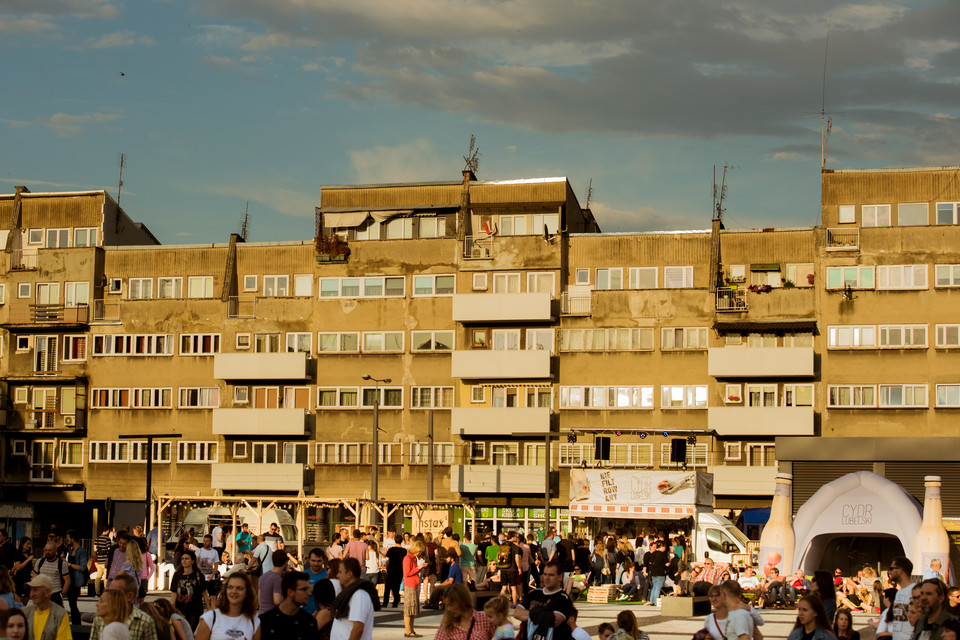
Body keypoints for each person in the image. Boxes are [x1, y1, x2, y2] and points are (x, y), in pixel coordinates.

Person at [513, 561, 573, 640]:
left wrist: (529, 616)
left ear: (560, 577)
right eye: (545, 574)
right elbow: (517, 613)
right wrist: (543, 616)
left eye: (551, 575)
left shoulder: (563, 599)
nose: (547, 578)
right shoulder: (533, 593)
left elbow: (554, 621)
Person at [194, 572, 259, 640]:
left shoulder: (254, 622)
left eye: (239, 588)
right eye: (230, 587)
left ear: (247, 592)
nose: (234, 591)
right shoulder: (210, 618)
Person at [258, 570, 318, 639]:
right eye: (305, 589)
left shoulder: (309, 623)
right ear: (290, 592)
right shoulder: (266, 621)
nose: (309, 593)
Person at [330, 558, 376, 640]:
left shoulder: (359, 596)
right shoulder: (350, 594)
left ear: (349, 574)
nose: (337, 575)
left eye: (340, 572)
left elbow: (358, 628)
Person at [22, 575, 71, 640]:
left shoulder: (60, 615)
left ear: (47, 592)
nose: (31, 594)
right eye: (31, 590)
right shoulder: (24, 613)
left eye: (35, 590)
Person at [169, 549, 206, 631]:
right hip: (179, 609)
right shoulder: (177, 575)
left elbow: (204, 593)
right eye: (182, 559)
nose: (184, 561)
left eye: (187, 559)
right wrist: (170, 609)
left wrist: (209, 609)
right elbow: (174, 594)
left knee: (188, 630)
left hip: (195, 610)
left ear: (192, 561)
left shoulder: (199, 576)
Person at [33, 543, 70, 608]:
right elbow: (34, 577)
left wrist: (62, 594)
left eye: (49, 550)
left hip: (55, 594)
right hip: (42, 594)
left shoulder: (61, 564)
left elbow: (67, 580)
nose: (47, 552)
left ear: (55, 551)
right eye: (46, 550)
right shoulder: (40, 562)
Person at [62, 531, 88, 626]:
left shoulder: (82, 552)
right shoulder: (69, 551)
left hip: (76, 580)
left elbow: (83, 567)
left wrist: (70, 564)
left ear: (73, 539)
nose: (67, 540)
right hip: (69, 579)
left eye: (68, 538)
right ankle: (75, 623)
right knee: (71, 603)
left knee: (73, 603)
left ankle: (77, 624)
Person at [403, 540, 426, 638]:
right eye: (418, 551)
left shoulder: (413, 558)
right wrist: (418, 568)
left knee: (413, 610)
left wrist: (420, 567)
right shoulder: (407, 558)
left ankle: (412, 630)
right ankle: (408, 631)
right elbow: (407, 573)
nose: (419, 553)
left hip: (414, 584)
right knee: (408, 609)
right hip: (410, 585)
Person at [259, 550, 288, 616]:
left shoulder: (264, 576)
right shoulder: (277, 579)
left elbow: (259, 596)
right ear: (285, 562)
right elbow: (277, 601)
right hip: (272, 615)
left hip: (262, 613)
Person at [382, 536, 406, 609]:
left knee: (388, 586)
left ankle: (385, 602)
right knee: (396, 586)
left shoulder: (391, 549)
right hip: (400, 569)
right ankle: (396, 601)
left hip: (391, 568)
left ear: (395, 540)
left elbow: (387, 559)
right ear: (402, 541)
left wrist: (386, 567)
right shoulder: (404, 550)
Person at [303, 549, 328, 615]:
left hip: (323, 616)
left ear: (323, 561)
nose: (316, 564)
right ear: (309, 560)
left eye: (319, 561)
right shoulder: (303, 575)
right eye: (313, 561)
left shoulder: (328, 575)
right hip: (305, 613)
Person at [13, 538, 35, 603]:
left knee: (26, 598)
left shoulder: (29, 554)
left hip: (27, 579)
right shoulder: (18, 553)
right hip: (20, 580)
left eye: (30, 544)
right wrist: (28, 560)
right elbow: (18, 567)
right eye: (27, 544)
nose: (29, 545)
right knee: (20, 599)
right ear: (23, 544)